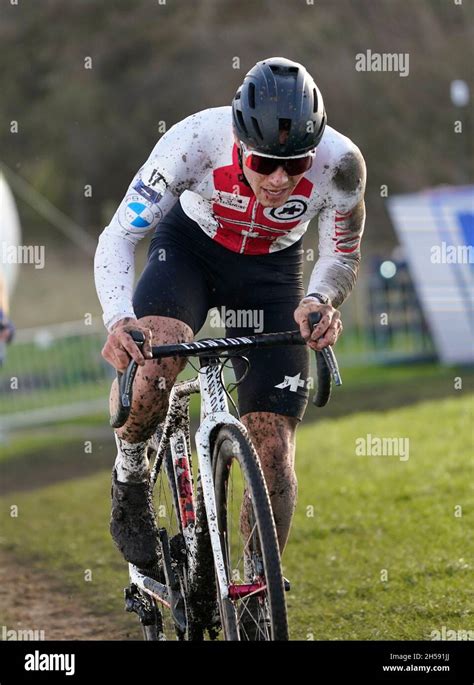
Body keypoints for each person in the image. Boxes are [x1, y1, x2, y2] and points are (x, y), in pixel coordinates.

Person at [94, 57, 366, 575]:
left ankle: (257, 593)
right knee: (152, 372)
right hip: (190, 253)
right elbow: (120, 235)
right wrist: (117, 319)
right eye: (265, 164)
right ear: (239, 143)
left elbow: (341, 254)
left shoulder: (342, 164)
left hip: (270, 273)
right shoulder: (191, 142)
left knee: (275, 455)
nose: (281, 180)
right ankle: (130, 476)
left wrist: (320, 300)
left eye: (297, 164)